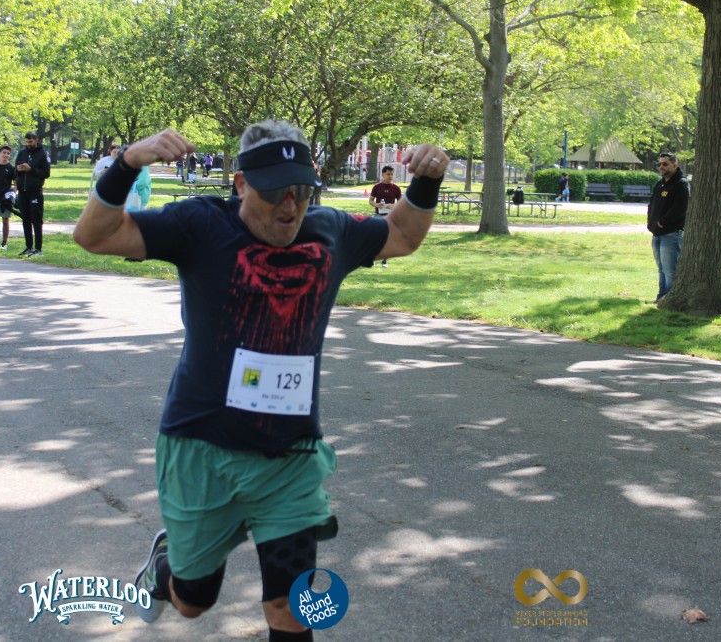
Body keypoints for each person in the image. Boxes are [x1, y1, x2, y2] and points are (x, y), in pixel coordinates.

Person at [73, 120, 448, 641]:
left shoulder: (332, 231)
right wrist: (126, 164)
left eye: (301, 191)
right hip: (201, 450)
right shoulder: (200, 224)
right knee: (193, 602)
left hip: (289, 458)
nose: (290, 206)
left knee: (292, 610)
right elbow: (94, 236)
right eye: (274, 192)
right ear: (241, 184)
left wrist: (427, 180)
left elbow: (404, 235)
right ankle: (166, 567)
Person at [647, 152, 690, 301]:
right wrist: (651, 223)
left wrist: (662, 222)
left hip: (671, 234)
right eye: (659, 164)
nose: (661, 167)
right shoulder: (660, 184)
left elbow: (680, 208)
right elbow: (652, 204)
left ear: (674, 164)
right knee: (661, 268)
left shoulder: (681, 184)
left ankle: (670, 299)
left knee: (670, 269)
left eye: (665, 164)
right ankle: (661, 296)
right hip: (656, 233)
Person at [14, 132, 51, 258]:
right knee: (25, 219)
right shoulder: (22, 152)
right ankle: (28, 247)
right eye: (27, 142)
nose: (28, 144)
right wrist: (18, 169)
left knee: (36, 220)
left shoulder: (43, 154)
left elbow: (46, 173)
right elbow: (15, 170)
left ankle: (38, 249)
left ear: (36, 140)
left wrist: (31, 169)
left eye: (30, 142)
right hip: (22, 192)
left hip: (35, 191)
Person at [369, 165, 402, 267]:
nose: (390, 176)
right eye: (388, 174)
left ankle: (385, 261)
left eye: (391, 174)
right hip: (378, 216)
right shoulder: (377, 187)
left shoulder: (396, 188)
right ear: (383, 175)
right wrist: (376, 204)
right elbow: (370, 200)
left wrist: (394, 206)